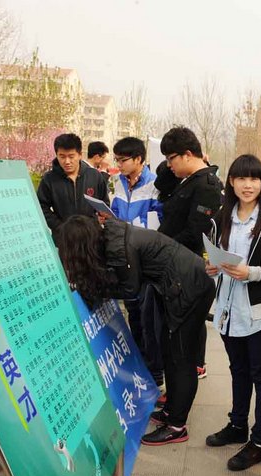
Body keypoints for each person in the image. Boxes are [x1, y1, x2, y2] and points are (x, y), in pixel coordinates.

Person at [56, 215, 215, 445]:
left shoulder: (118, 247)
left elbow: (130, 289)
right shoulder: (110, 237)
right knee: (169, 351)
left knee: (181, 358)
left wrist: (94, 289)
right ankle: (171, 410)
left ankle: (177, 426)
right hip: (177, 284)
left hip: (191, 287)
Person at [203, 155, 261, 471]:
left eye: (254, 179)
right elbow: (214, 255)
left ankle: (259, 442)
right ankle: (237, 424)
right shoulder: (221, 217)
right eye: (241, 178)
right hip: (228, 309)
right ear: (231, 182)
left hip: (258, 312)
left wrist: (252, 273)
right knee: (238, 370)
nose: (248, 185)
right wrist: (212, 266)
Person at [156, 126, 222, 379]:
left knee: (186, 326)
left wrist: (160, 245)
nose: (168, 165)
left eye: (171, 158)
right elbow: (161, 183)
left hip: (186, 265)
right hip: (172, 262)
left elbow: (196, 232)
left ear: (187, 155)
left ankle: (194, 366)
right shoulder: (186, 179)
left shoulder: (207, 185)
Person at [110, 136, 165, 387]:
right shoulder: (118, 182)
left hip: (145, 258)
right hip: (124, 256)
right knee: (133, 311)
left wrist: (132, 228)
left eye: (123, 160)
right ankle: (140, 369)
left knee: (148, 318)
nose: (119, 165)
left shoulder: (154, 184)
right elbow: (116, 212)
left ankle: (155, 374)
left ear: (139, 159)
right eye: (117, 160)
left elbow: (158, 220)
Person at [37, 133, 110, 244]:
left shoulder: (94, 176)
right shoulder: (49, 179)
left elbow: (104, 203)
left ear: (80, 155)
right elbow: (41, 207)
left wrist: (97, 220)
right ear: (56, 155)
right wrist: (60, 227)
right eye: (62, 156)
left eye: (71, 156)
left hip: (91, 239)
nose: (67, 161)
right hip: (63, 240)